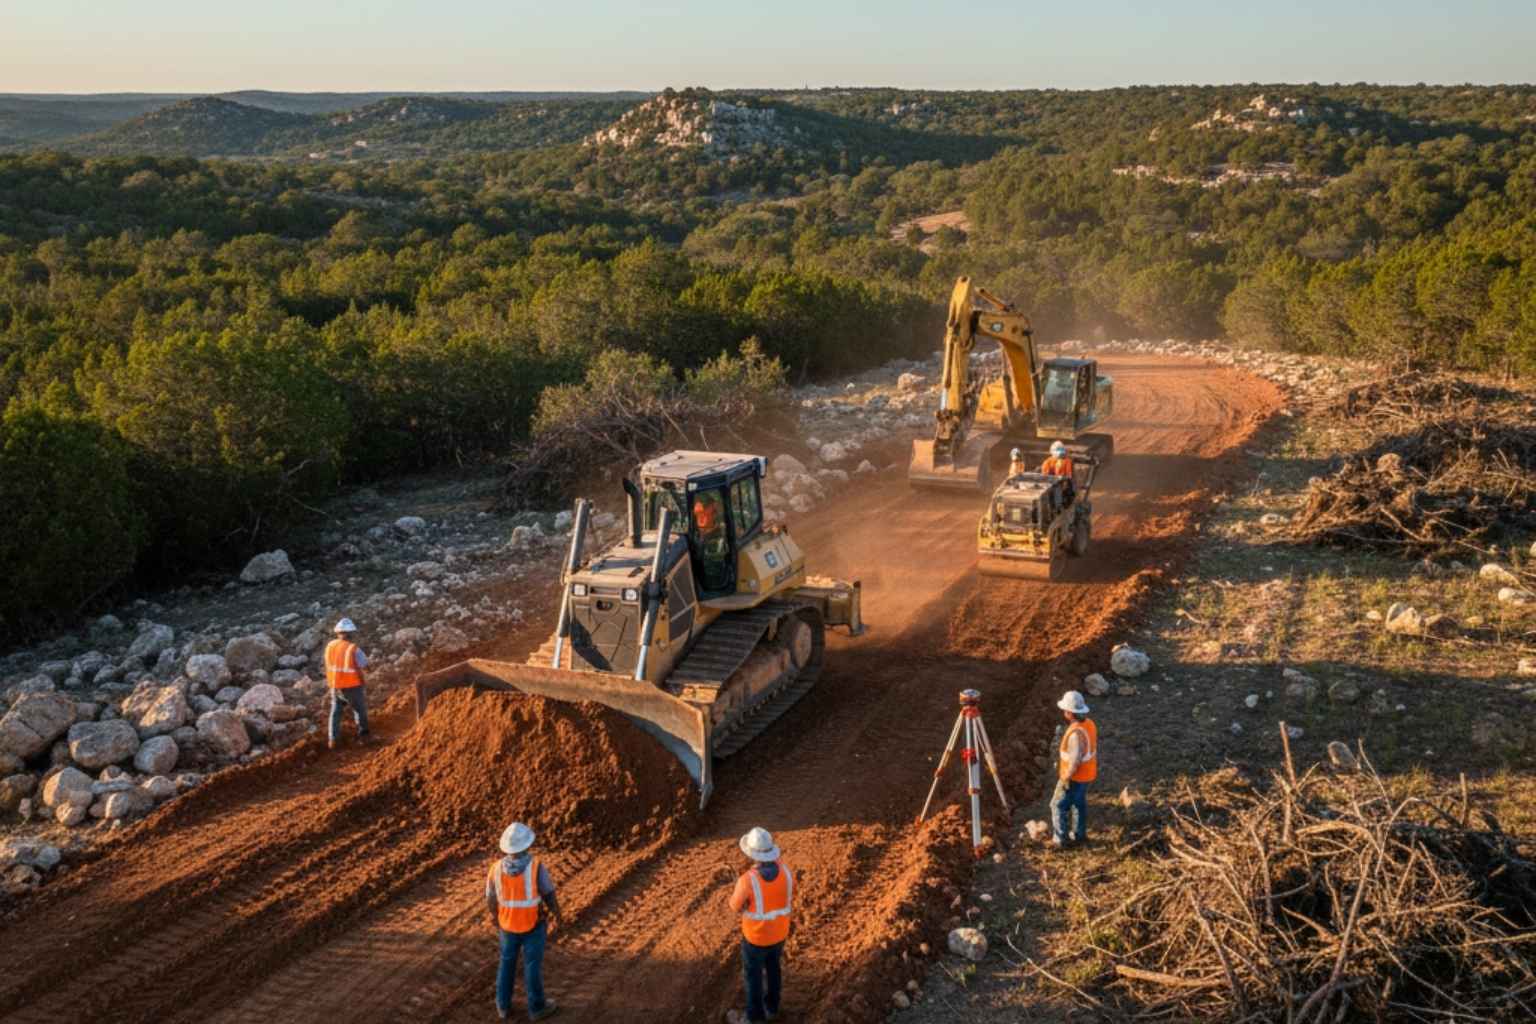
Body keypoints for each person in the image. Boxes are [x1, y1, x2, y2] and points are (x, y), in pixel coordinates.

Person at [487, 822, 560, 1021]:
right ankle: (537, 1008)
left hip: (507, 926)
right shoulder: (536, 867)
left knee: (506, 964)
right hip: (533, 925)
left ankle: (502, 1006)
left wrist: (496, 918)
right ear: (526, 845)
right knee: (532, 966)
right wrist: (557, 915)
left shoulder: (495, 869)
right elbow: (549, 894)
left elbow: (491, 899)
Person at [726, 827, 792, 1024]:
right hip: (780, 933)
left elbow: (734, 906)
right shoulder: (786, 872)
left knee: (753, 977)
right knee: (774, 970)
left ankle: (754, 1018)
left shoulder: (748, 880)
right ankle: (772, 1008)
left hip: (756, 938)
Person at [1051, 690, 1097, 848]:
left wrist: (1065, 778)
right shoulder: (1089, 723)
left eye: (1065, 710)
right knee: (1079, 803)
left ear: (1070, 713)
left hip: (1075, 777)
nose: (1064, 712)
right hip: (1087, 775)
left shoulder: (1075, 734)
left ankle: (1060, 840)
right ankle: (1080, 835)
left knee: (1057, 805)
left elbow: (1075, 761)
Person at [324, 618, 372, 749]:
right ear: (351, 633)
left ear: (338, 632)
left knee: (335, 712)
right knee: (360, 710)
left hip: (335, 685)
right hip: (351, 686)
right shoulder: (353, 649)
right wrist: (368, 670)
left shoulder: (330, 646)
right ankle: (364, 736)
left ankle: (332, 739)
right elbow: (365, 666)